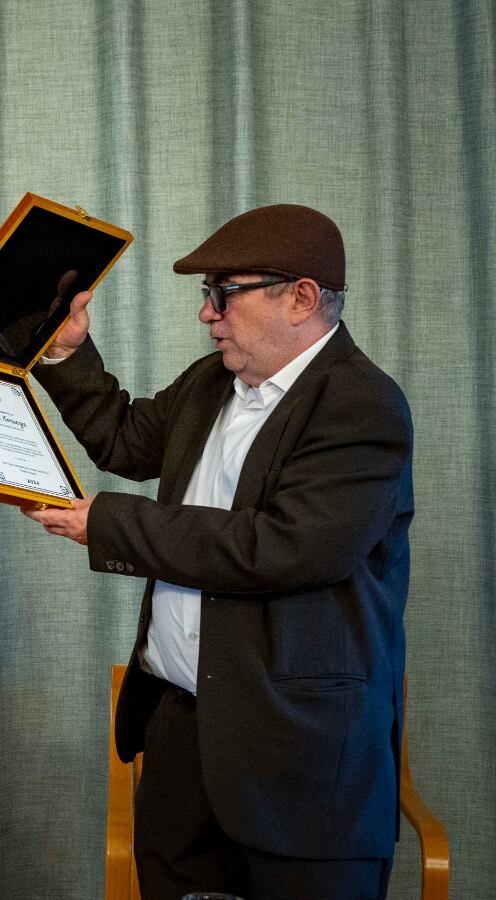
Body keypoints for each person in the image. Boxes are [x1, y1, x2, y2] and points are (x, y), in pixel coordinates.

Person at [26, 204, 412, 900]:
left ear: (301, 298)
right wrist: (67, 352)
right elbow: (124, 440)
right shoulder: (212, 383)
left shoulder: (360, 404)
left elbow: (283, 547)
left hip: (297, 760)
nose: (207, 313)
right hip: (182, 738)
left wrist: (108, 523)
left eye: (223, 293)